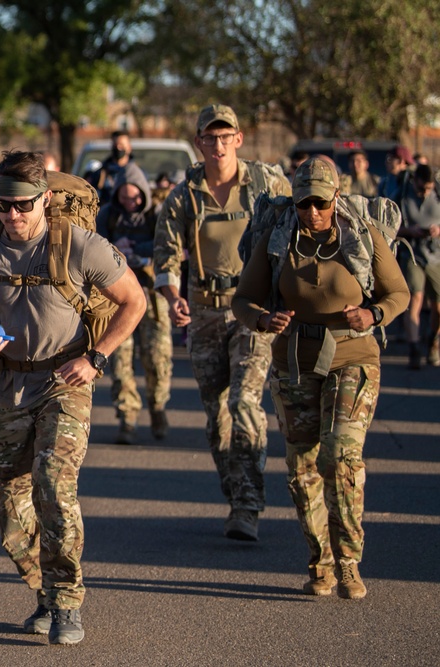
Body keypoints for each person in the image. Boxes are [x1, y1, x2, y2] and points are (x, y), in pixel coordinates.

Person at [0, 150, 146, 645]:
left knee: (54, 484)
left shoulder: (81, 245)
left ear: (46, 200)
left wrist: (96, 358)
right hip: (8, 385)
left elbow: (133, 301)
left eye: (23, 206)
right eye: (3, 206)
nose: (12, 216)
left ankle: (68, 600)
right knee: (9, 507)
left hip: (65, 381)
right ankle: (46, 590)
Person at [232, 156, 409, 599]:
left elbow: (398, 292)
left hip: (353, 354)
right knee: (303, 468)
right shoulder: (278, 236)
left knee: (340, 457)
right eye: (304, 201)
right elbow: (244, 299)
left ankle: (348, 561)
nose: (312, 211)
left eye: (320, 202)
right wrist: (263, 319)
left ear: (335, 197)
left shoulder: (360, 233)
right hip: (294, 358)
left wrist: (373, 313)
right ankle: (320, 560)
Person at [153, 104, 291, 541]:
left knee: (245, 402)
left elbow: (298, 222)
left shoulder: (266, 183)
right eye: (209, 137)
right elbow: (166, 257)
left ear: (239, 139)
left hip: (252, 308)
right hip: (204, 309)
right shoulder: (183, 195)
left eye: (225, 136)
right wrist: (173, 297)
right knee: (216, 415)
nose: (217, 144)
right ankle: (235, 492)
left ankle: (248, 505)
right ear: (198, 143)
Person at [95, 162, 173, 444]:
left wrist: (138, 250)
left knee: (157, 357)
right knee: (120, 362)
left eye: (136, 197)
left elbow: (169, 244)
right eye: (125, 197)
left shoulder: (156, 214)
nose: (131, 203)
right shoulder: (108, 216)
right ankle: (127, 418)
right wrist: (117, 251)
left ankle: (158, 406)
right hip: (117, 300)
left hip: (153, 294)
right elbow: (96, 245)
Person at [397, 163, 440, 368]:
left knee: (437, 307)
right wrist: (409, 230)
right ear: (415, 181)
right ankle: (414, 348)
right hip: (412, 254)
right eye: (422, 188)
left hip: (436, 256)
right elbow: (389, 226)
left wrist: (437, 229)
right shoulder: (402, 195)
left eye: (429, 188)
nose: (425, 192)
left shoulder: (437, 195)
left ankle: (433, 341)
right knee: (415, 298)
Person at [87, 129, 134, 202]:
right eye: (115, 145)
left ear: (129, 147)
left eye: (121, 145)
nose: (118, 148)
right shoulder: (100, 174)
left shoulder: (136, 174)